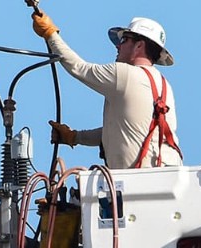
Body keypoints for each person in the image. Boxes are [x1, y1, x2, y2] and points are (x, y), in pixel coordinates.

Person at [32, 11, 183, 169]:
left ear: (139, 45)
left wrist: (50, 34)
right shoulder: (163, 84)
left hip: (140, 181)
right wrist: (75, 137)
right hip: (167, 176)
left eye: (124, 40)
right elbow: (121, 131)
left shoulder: (123, 74)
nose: (118, 46)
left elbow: (78, 68)